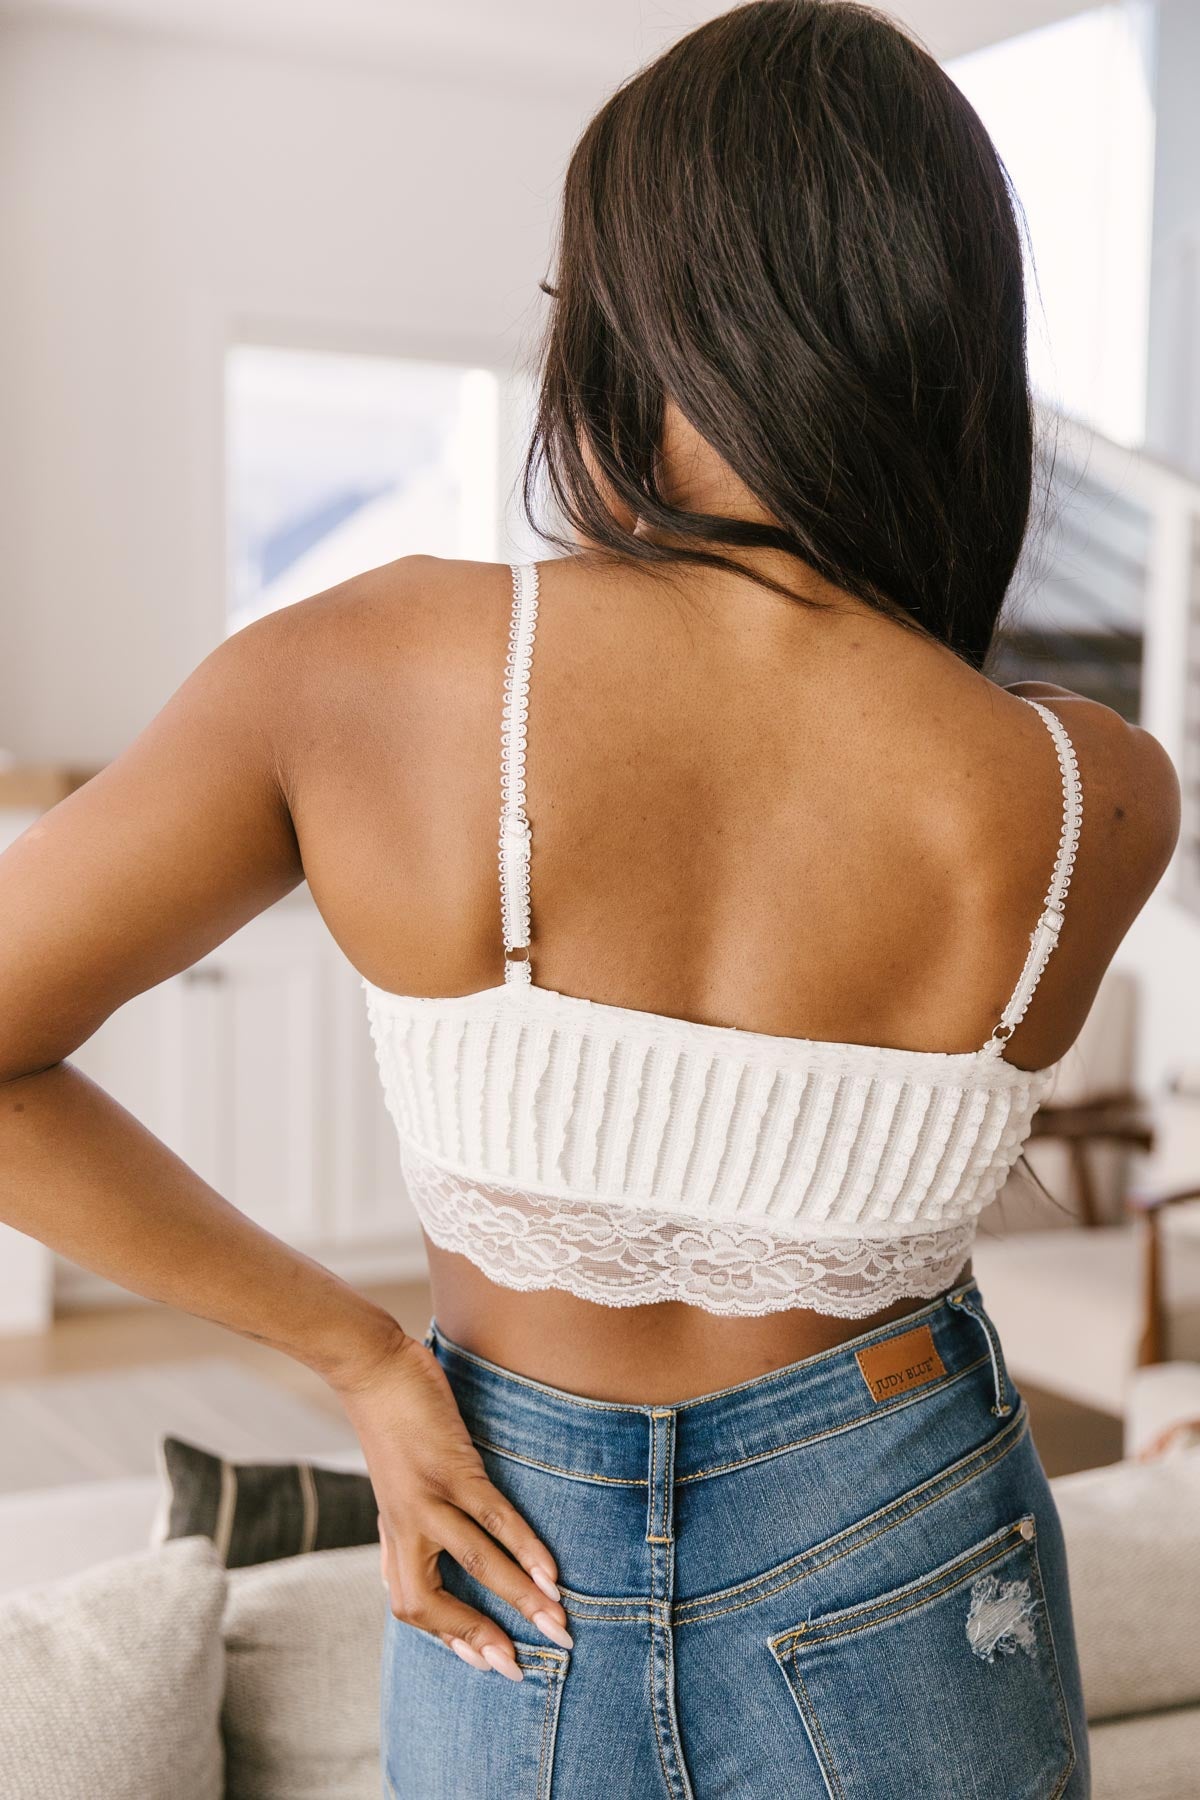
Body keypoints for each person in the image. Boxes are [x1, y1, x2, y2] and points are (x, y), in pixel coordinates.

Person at [0, 3, 1179, 1794]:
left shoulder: (370, 669)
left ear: (620, 315)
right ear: (955, 344)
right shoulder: (1096, 789)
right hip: (917, 1533)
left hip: (499, 1546)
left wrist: (360, 1357)